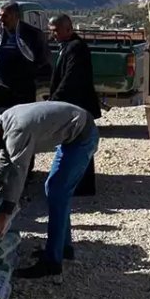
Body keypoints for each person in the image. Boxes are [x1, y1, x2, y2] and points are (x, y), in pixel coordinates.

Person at [0, 101, 98, 279]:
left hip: (81, 137)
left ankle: (52, 263)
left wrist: (4, 213)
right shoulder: (6, 121)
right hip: (71, 134)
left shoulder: (17, 130)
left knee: (58, 193)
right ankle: (64, 248)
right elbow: (7, 155)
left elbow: (18, 173)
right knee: (54, 191)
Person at [48, 14, 101, 197]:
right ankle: (77, 183)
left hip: (79, 105)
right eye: (51, 31)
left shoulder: (76, 48)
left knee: (81, 144)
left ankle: (83, 186)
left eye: (56, 31)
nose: (53, 34)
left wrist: (54, 100)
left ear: (68, 29)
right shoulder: (66, 47)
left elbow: (70, 79)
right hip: (72, 105)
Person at [0, 1, 48, 109]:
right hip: (1, 87)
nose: (1, 19)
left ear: (15, 16)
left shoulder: (32, 34)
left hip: (24, 89)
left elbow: (42, 59)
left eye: (5, 16)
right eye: (0, 15)